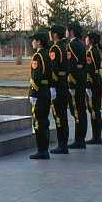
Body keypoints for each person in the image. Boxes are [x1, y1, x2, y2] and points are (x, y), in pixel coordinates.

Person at [27, 30, 51, 160]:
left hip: (39, 92)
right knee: (44, 121)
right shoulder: (47, 54)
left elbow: (36, 76)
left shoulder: (37, 56)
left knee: (38, 122)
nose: (32, 42)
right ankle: (44, 149)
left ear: (39, 42)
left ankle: (42, 150)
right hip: (46, 90)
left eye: (34, 40)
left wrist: (33, 93)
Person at [64, 22, 89, 149]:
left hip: (74, 82)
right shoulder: (81, 43)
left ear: (71, 31)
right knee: (81, 109)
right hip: (81, 80)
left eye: (67, 30)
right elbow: (82, 64)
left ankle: (79, 140)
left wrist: (71, 82)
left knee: (77, 110)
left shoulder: (71, 45)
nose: (66, 33)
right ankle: (81, 138)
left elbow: (71, 65)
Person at [46, 25, 69, 154]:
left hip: (58, 85)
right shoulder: (64, 46)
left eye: (50, 32)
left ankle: (62, 145)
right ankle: (63, 143)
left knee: (59, 115)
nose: (49, 35)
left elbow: (53, 69)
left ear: (55, 34)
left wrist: (52, 86)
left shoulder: (55, 48)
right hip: (64, 83)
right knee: (63, 115)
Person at [83, 31, 102, 145]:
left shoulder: (90, 52)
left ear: (91, 40)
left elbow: (89, 69)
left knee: (93, 109)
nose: (85, 39)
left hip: (92, 81)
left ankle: (96, 137)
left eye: (87, 38)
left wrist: (88, 84)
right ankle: (97, 136)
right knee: (95, 109)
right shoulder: (94, 50)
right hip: (96, 79)